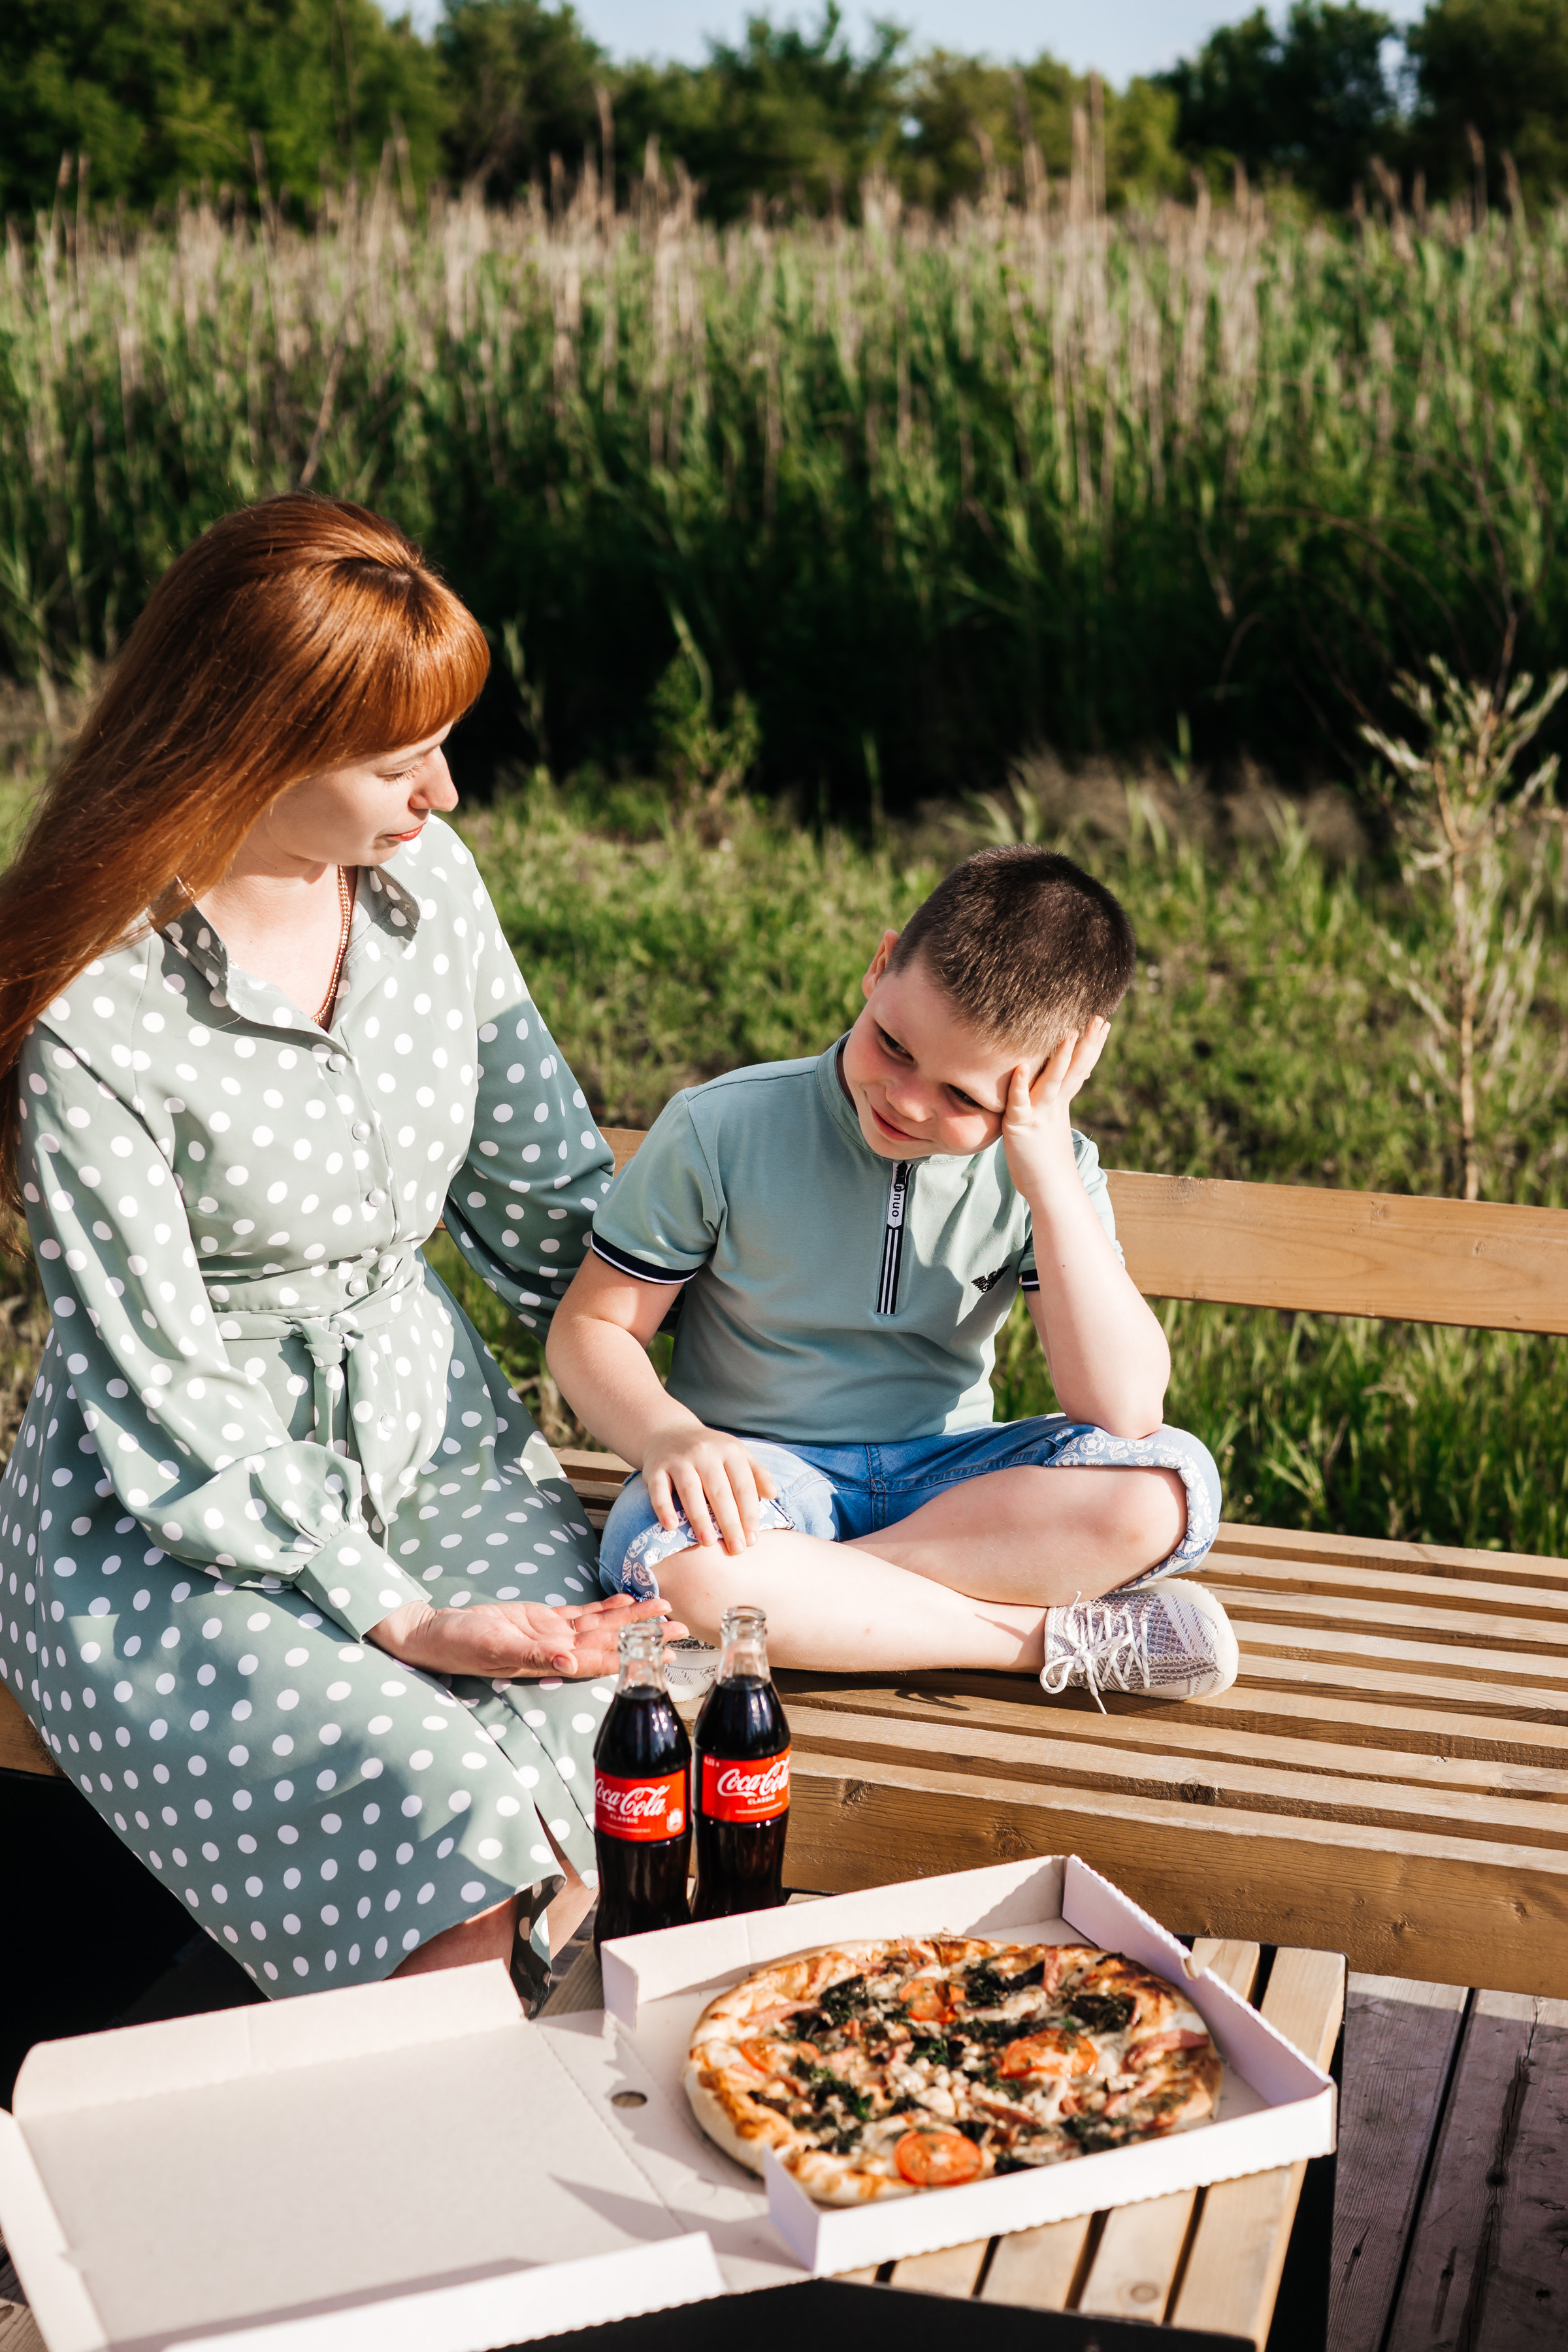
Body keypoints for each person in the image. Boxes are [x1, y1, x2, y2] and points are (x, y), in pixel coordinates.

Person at [0, 494, 677, 2006]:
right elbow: (159, 1383)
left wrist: (750, 1370)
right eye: (397, 760)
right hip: (167, 1510)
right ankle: (412, 2204)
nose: (443, 790)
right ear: (250, 748)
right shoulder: (95, 1011)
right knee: (438, 1804)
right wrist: (397, 1609)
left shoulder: (431, 891)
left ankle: (451, 2158)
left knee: (604, 1702)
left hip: (427, 1439)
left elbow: (547, 1194)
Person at [547, 847, 1235, 1704]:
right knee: (673, 1551)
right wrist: (666, 1436)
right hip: (760, 1480)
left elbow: (1125, 1411)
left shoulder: (1052, 1170)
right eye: (895, 1046)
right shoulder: (723, 1127)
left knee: (1167, 1488)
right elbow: (593, 1328)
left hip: (954, 1489)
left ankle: (798, 1599)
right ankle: (1039, 1642)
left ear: (1048, 1084)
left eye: (966, 1098)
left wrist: (1047, 1174)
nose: (909, 1100)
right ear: (879, 967)